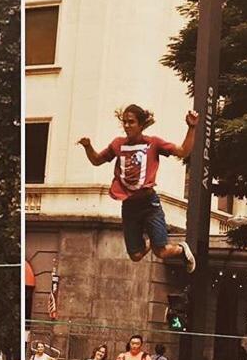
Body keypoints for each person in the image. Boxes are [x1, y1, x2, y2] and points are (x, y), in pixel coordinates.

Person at [77, 104, 197, 271]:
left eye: (131, 122)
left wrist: (192, 127)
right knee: (136, 256)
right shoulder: (117, 144)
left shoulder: (153, 143)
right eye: (124, 122)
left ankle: (181, 249)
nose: (127, 126)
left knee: (161, 252)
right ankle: (150, 241)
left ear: (141, 125)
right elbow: (97, 160)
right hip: (129, 206)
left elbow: (183, 151)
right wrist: (88, 146)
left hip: (149, 204)